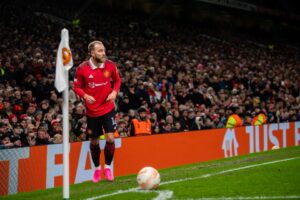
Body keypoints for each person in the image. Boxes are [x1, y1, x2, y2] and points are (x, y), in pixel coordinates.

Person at [73, 40, 121, 182]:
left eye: (103, 50)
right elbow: (76, 87)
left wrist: (114, 93)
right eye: (100, 50)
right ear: (92, 53)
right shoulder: (82, 68)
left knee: (110, 138)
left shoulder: (110, 65)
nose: (103, 53)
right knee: (94, 141)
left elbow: (117, 81)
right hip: (92, 111)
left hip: (107, 108)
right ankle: (96, 169)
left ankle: (107, 167)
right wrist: (85, 96)